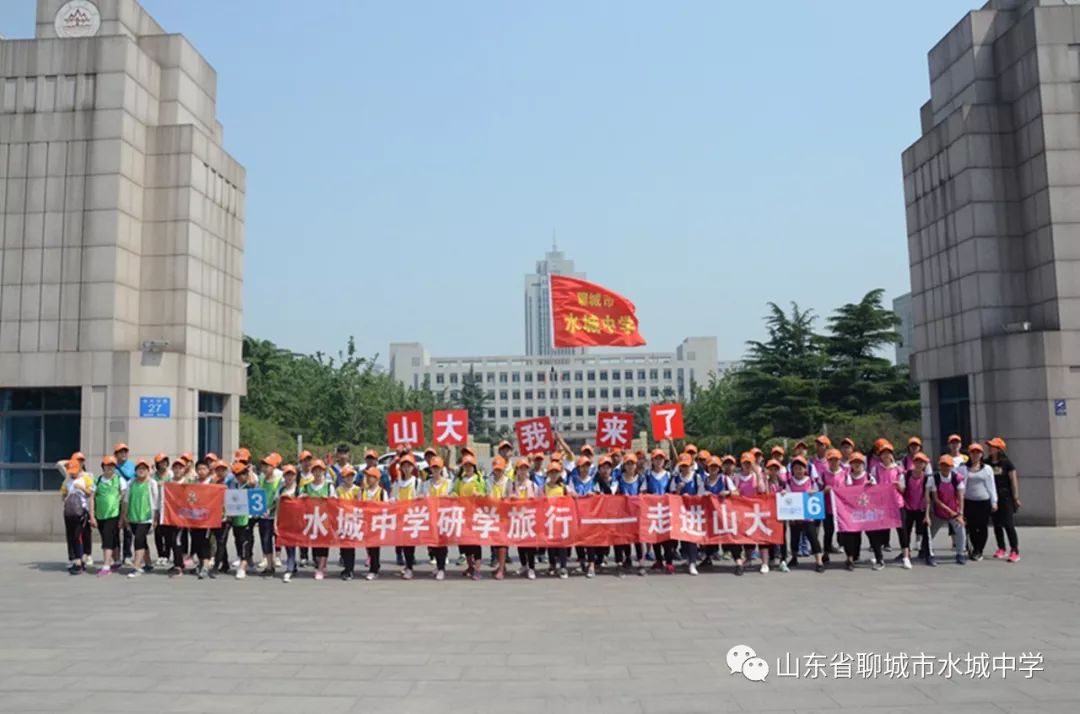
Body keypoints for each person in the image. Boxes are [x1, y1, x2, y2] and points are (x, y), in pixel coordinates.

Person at [839, 453, 887, 571]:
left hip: (868, 512)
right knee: (851, 535)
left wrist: (871, 487)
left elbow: (877, 493)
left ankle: (879, 559)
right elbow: (843, 492)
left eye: (859, 462)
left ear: (863, 464)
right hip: (853, 512)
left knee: (873, 536)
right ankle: (851, 558)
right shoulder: (847, 477)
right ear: (851, 464)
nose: (857, 464)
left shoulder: (869, 477)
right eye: (854, 462)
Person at [120, 458, 160, 578]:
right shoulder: (131, 482)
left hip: (146, 518)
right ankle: (148, 563)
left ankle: (136, 567)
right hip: (133, 517)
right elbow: (126, 500)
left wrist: (155, 518)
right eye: (139, 469)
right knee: (142, 540)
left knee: (138, 539)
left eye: (144, 469)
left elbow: (156, 502)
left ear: (148, 470)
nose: (141, 471)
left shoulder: (152, 483)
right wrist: (124, 516)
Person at [784, 456, 825, 573]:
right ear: (792, 470)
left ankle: (819, 561)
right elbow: (787, 496)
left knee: (813, 538)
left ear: (805, 469)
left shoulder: (810, 481)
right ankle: (794, 558)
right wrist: (783, 494)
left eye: (800, 468)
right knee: (794, 539)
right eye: (796, 468)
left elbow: (817, 492)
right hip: (795, 516)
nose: (798, 471)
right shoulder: (789, 482)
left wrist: (814, 492)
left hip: (808, 517)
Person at [958, 443, 996, 561]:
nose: (975, 455)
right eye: (973, 452)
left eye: (977, 452)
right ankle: (975, 548)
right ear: (969, 454)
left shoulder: (987, 469)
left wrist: (994, 501)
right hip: (969, 501)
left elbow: (991, 486)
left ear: (981, 454)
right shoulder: (963, 468)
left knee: (982, 526)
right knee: (972, 527)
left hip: (983, 501)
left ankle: (980, 549)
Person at [927, 455, 967, 566]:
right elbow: (936, 499)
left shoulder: (957, 478)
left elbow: (960, 497)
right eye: (943, 465)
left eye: (948, 465)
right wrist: (950, 511)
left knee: (961, 531)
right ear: (940, 466)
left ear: (951, 466)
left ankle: (960, 553)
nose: (945, 468)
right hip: (939, 512)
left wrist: (960, 513)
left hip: (955, 512)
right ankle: (927, 553)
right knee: (930, 533)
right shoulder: (934, 478)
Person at [871, 442, 907, 565]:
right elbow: (873, 486)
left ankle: (905, 556)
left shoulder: (898, 469)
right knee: (880, 530)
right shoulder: (876, 469)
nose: (886, 455)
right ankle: (879, 556)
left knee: (901, 530)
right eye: (883, 453)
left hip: (897, 503)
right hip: (882, 504)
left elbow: (903, 489)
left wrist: (898, 486)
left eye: (888, 453)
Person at [987, 437, 1020, 562]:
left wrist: (1015, 497)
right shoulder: (987, 462)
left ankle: (1015, 550)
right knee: (997, 524)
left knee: (1008, 524)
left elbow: (1013, 480)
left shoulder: (1007, 463)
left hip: (1005, 497)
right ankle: (1001, 548)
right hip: (993, 497)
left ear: (999, 449)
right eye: (990, 446)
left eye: (993, 446)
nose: (990, 448)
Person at [92, 455, 126, 577]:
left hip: (113, 514)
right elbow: (92, 498)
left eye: (112, 466)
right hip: (100, 514)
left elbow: (124, 496)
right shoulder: (98, 480)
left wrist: (122, 517)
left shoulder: (119, 479)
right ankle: (117, 561)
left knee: (107, 539)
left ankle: (106, 566)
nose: (110, 468)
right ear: (103, 467)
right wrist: (92, 516)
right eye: (108, 466)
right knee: (111, 538)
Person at [301, 459, 335, 580]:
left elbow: (335, 502)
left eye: (320, 470)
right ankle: (319, 564)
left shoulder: (329, 486)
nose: (318, 472)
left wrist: (328, 500)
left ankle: (321, 567)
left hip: (325, 519)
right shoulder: (306, 487)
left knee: (324, 544)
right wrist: (303, 498)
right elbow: (299, 500)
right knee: (315, 544)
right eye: (315, 470)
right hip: (312, 520)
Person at [60, 456, 94, 574]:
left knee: (77, 536)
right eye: (71, 472)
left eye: (74, 471)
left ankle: (80, 560)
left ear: (79, 469)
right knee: (70, 536)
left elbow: (91, 493)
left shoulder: (86, 478)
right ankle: (74, 559)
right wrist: (66, 499)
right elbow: (63, 494)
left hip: (81, 512)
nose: (72, 474)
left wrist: (82, 488)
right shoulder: (67, 480)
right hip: (69, 512)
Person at [455, 454, 487, 579]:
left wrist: (479, 494)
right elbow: (454, 491)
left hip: (475, 515)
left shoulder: (479, 480)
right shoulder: (459, 480)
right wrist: (453, 494)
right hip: (462, 515)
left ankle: (478, 568)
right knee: (465, 542)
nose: (468, 468)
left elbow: (485, 494)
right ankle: (470, 566)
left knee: (475, 542)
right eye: (465, 466)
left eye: (470, 465)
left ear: (474, 467)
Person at [699, 455, 733, 569]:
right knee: (709, 535)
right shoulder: (705, 481)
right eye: (711, 466)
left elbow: (736, 492)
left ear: (719, 468)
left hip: (723, 512)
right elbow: (699, 495)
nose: (713, 469)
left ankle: (730, 553)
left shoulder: (724, 479)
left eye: (715, 466)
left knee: (726, 533)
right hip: (709, 514)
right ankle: (708, 557)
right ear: (707, 468)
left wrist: (727, 493)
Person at [614, 453, 646, 576]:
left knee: (638, 538)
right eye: (628, 463)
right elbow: (614, 493)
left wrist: (637, 499)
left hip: (636, 513)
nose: (630, 466)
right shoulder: (619, 478)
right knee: (623, 537)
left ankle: (641, 562)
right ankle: (624, 559)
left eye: (632, 463)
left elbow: (643, 494)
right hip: (622, 513)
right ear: (624, 465)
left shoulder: (641, 478)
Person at [391, 454, 422, 579]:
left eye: (409, 465)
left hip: (412, 516)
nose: (406, 468)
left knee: (410, 543)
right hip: (400, 516)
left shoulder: (417, 482)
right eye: (404, 465)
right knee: (403, 543)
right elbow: (393, 496)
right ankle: (407, 565)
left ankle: (409, 567)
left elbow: (421, 496)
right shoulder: (398, 482)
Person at [644, 449, 675, 574]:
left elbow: (672, 492)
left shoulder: (668, 475)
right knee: (655, 537)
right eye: (656, 459)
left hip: (666, 510)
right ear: (652, 461)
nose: (658, 461)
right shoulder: (647, 475)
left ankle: (669, 562)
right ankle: (658, 560)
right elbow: (644, 491)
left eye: (661, 459)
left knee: (667, 538)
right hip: (652, 510)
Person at [423, 456, 453, 580]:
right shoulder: (425, 484)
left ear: (442, 469)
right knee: (432, 545)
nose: (435, 470)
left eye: (437, 467)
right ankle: (437, 565)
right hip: (430, 517)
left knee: (442, 544)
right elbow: (422, 497)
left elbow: (453, 496)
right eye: (433, 467)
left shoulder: (448, 483)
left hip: (443, 517)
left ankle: (441, 568)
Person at [901, 452, 931, 565]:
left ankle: (924, 552)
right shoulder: (907, 475)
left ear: (925, 465)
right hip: (908, 507)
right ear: (913, 462)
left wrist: (927, 514)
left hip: (921, 508)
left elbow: (928, 497)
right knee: (906, 531)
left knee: (923, 531)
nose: (919, 464)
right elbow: (903, 490)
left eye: (921, 462)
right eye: (917, 461)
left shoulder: (927, 478)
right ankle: (906, 551)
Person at [542, 461, 570, 579]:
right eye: (551, 472)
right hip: (549, 519)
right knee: (551, 545)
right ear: (548, 474)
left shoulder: (563, 487)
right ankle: (552, 565)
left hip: (561, 519)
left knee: (562, 544)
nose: (553, 475)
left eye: (556, 472)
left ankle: (563, 566)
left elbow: (573, 495)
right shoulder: (544, 487)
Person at [256, 453, 283, 575]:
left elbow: (278, 499)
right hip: (262, 514)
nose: (264, 468)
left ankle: (275, 561)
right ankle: (269, 565)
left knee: (274, 539)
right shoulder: (261, 479)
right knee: (264, 540)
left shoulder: (279, 480)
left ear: (273, 467)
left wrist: (271, 510)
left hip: (274, 515)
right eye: (263, 466)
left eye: (267, 466)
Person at [228, 461, 256, 579]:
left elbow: (253, 484)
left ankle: (243, 565)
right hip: (236, 518)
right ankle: (245, 558)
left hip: (248, 518)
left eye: (241, 474)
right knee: (238, 540)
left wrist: (249, 472)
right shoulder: (233, 484)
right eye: (236, 474)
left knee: (246, 540)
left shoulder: (250, 483)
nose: (239, 477)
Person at [818, 448, 847, 560]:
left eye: (836, 460)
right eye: (831, 460)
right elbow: (817, 491)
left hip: (841, 508)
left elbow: (850, 490)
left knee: (843, 530)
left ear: (840, 460)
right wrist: (824, 491)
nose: (833, 462)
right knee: (828, 531)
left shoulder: (845, 474)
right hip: (827, 507)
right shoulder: (824, 474)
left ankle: (846, 551)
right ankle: (826, 551)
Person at [188, 459, 215, 579]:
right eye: (199, 469)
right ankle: (200, 563)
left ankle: (205, 565)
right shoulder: (193, 483)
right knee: (196, 541)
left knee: (205, 542)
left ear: (208, 470)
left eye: (204, 469)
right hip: (195, 518)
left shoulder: (212, 482)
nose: (201, 471)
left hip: (208, 518)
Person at [335, 465, 360, 581]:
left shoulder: (357, 490)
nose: (349, 478)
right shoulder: (339, 489)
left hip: (353, 520)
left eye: (351, 476)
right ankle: (345, 567)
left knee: (351, 546)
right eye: (346, 476)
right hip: (342, 519)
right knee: (343, 546)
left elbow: (360, 504)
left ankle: (350, 569)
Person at [209, 461, 233, 574]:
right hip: (215, 516)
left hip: (226, 517)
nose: (220, 472)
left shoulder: (231, 482)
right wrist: (212, 485)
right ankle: (225, 563)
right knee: (219, 540)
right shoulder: (212, 482)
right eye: (218, 469)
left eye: (223, 470)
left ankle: (216, 566)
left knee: (221, 541)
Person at [278, 465, 300, 583]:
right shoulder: (281, 490)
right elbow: (277, 506)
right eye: (287, 474)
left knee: (295, 544)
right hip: (285, 522)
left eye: (292, 474)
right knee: (289, 545)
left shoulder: (299, 490)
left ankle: (293, 565)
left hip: (297, 521)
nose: (289, 477)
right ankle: (290, 567)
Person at [150, 453, 172, 566]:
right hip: (156, 506)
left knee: (167, 532)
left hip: (168, 507)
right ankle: (160, 555)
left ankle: (167, 555)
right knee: (157, 532)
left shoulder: (171, 475)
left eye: (164, 461)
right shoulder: (153, 476)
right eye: (160, 462)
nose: (162, 464)